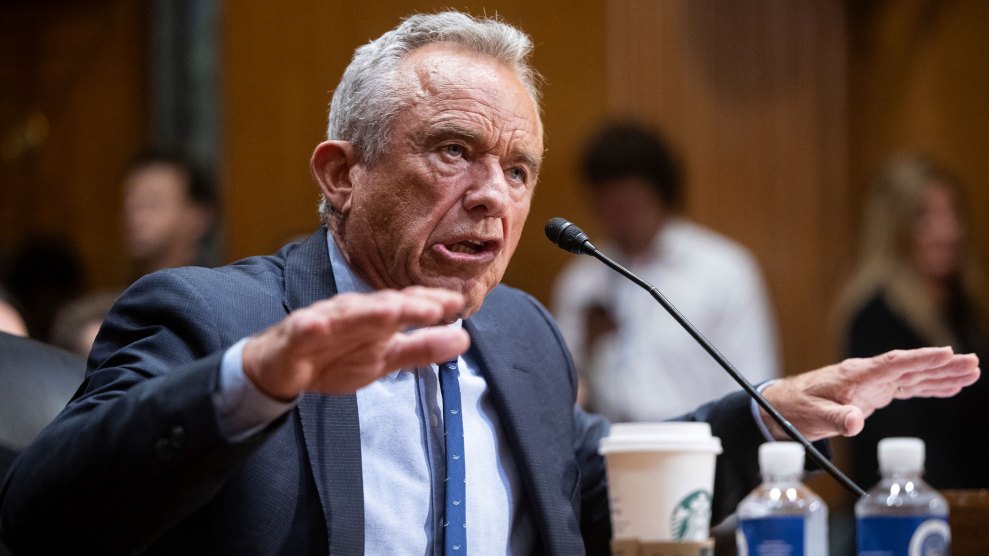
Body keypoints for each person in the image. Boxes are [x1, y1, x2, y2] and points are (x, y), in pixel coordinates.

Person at [0, 12, 979, 555]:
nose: (492, 199)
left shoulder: (516, 330)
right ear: (341, 174)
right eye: (453, 152)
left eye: (516, 170)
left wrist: (764, 416)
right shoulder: (216, 317)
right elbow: (40, 518)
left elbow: (590, 491)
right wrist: (255, 380)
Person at [552, 122, 780, 421]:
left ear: (660, 195)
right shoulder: (582, 280)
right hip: (610, 448)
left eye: (630, 202)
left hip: (702, 445)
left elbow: (752, 382)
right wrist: (588, 345)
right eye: (608, 202)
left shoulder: (723, 270)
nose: (620, 216)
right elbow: (561, 389)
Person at [833, 153, 989, 490]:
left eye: (952, 214)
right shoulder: (876, 318)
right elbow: (890, 441)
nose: (947, 231)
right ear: (894, 227)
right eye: (925, 217)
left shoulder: (966, 310)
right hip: (908, 512)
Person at [121, 148, 218, 277]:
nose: (134, 217)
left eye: (152, 203)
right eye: (131, 204)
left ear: (198, 217)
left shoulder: (223, 293)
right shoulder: (120, 296)